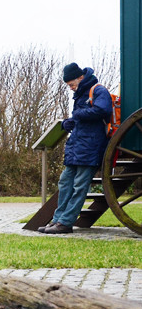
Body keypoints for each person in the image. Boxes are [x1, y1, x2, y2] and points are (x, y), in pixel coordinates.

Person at [39, 62, 112, 235]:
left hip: (91, 148)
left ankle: (66, 223)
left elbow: (103, 110)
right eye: (68, 85)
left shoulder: (99, 90)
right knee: (65, 183)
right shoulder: (79, 95)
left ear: (81, 77)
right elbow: (82, 119)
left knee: (79, 186)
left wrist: (78, 115)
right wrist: (69, 123)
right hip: (76, 147)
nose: (70, 88)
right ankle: (57, 220)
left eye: (71, 84)